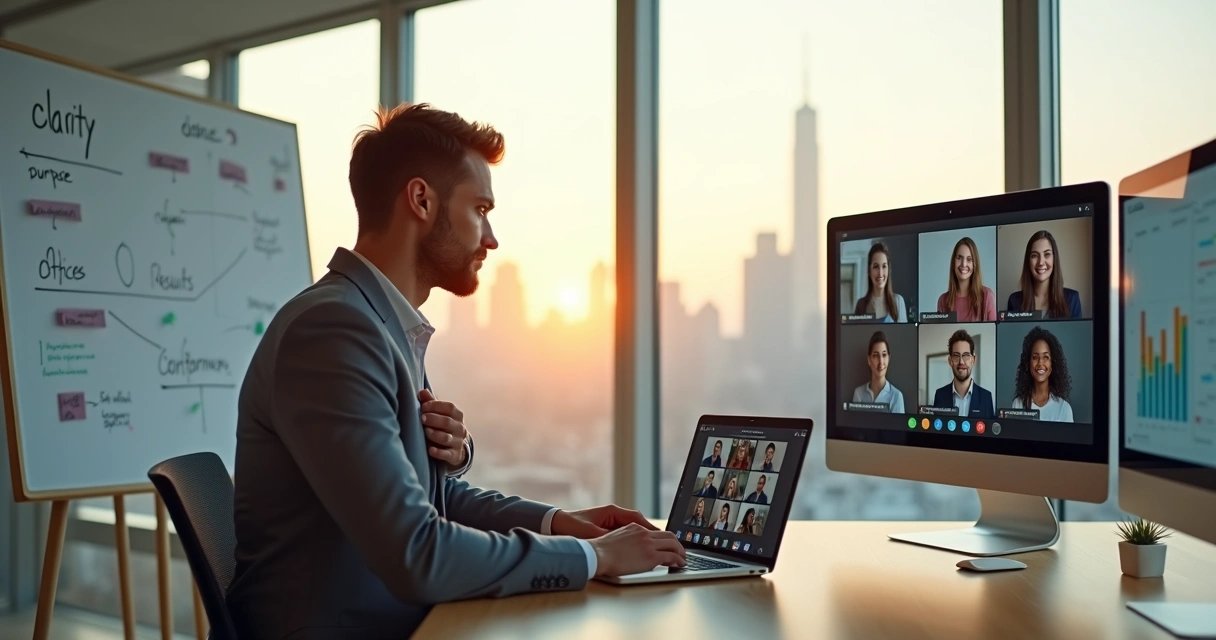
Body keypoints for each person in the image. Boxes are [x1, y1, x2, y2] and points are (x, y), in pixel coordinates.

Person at [227, 104, 684, 639]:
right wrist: (592, 557)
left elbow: (432, 505)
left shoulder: (378, 323)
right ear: (421, 200)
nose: (490, 238)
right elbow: (418, 551)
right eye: (481, 209)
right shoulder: (334, 333)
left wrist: (560, 523)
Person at [1006, 230, 1083, 318]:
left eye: (1047, 254)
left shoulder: (1072, 299)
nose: (1041, 262)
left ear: (1054, 259)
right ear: (1028, 261)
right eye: (1034, 255)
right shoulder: (1014, 300)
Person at [1011, 326, 1075, 422]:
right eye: (1035, 357)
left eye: (1046, 357)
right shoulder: (1018, 404)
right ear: (1028, 363)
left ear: (1053, 363)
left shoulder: (1064, 409)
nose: (1040, 363)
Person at [932, 329, 995, 419]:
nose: (961, 361)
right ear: (950, 361)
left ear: (973, 360)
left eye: (966, 355)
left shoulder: (986, 397)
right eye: (956, 356)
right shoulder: (940, 395)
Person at [936, 237, 996, 321]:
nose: (963, 264)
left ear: (975, 264)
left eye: (969, 259)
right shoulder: (942, 301)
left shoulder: (987, 296)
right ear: (953, 262)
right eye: (959, 257)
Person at [852, 242, 908, 322]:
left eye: (884, 266)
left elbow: (904, 334)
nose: (880, 273)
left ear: (889, 269)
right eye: (876, 267)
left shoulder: (898, 301)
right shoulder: (861, 305)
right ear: (869, 271)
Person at [851, 331, 906, 413]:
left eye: (884, 355)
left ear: (889, 358)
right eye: (875, 355)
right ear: (869, 360)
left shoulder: (896, 396)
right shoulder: (858, 393)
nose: (881, 362)